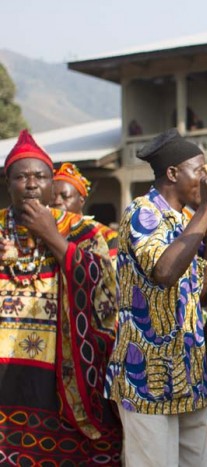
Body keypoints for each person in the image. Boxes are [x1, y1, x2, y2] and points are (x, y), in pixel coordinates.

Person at [105, 128, 207, 466]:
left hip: (186, 373)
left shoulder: (185, 220)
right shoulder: (142, 213)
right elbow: (164, 273)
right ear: (173, 173)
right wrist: (206, 209)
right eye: (199, 170)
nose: (206, 178)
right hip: (147, 374)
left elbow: (198, 295)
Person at [0, 130, 122, 464]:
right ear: (7, 181)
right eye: (20, 176)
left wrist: (54, 239)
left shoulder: (84, 231)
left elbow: (104, 290)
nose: (31, 184)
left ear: (52, 182)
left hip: (63, 369)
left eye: (40, 176)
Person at [52, 162, 118, 258]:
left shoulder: (105, 235)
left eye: (65, 197)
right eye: (52, 197)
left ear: (81, 201)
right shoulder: (39, 236)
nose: (57, 202)